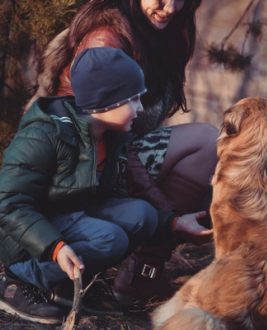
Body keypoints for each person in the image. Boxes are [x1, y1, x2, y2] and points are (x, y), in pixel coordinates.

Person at [27, 0, 217, 304]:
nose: (170, 8)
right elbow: (89, 140)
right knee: (205, 142)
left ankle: (142, 276)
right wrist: (169, 216)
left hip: (121, 151)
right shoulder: (106, 38)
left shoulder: (173, 30)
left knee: (207, 153)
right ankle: (43, 274)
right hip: (82, 168)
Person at [0, 47, 173, 324]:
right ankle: (18, 281)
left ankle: (68, 284)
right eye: (133, 100)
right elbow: (8, 203)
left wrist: (172, 224)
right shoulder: (44, 134)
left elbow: (118, 197)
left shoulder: (109, 136)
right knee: (109, 238)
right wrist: (55, 247)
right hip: (24, 243)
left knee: (143, 216)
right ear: (105, 102)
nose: (140, 108)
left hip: (68, 217)